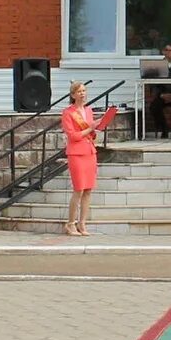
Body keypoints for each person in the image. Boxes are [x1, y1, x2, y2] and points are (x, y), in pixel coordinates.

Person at [61, 82, 105, 236]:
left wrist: (96, 128)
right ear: (73, 95)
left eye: (84, 91)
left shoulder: (88, 110)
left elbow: (90, 133)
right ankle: (70, 223)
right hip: (76, 153)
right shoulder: (68, 113)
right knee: (78, 189)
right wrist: (90, 128)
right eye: (79, 91)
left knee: (88, 190)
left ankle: (82, 223)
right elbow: (73, 136)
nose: (82, 94)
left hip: (89, 152)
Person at [143, 45, 171, 141]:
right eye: (170, 50)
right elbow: (153, 82)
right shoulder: (158, 65)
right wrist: (161, 95)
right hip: (162, 94)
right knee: (154, 106)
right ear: (164, 52)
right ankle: (164, 129)